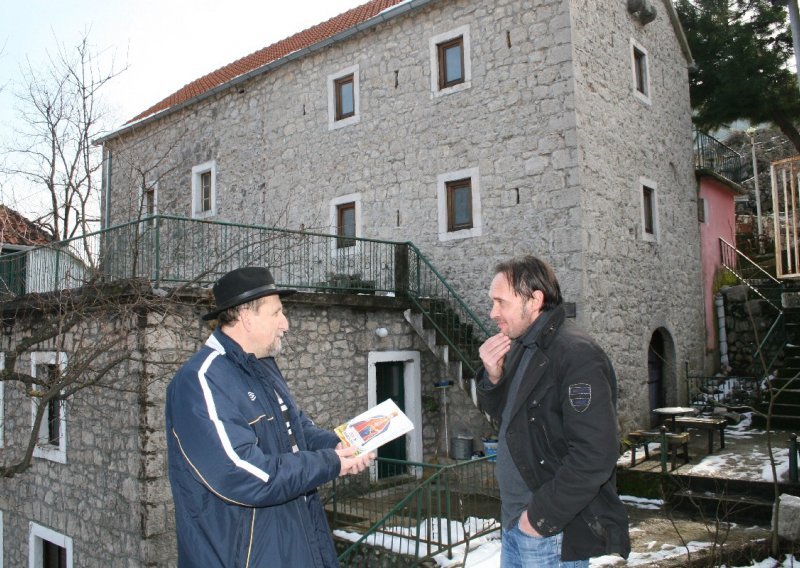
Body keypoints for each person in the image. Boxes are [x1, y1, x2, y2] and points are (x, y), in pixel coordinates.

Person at [165, 266, 374, 567]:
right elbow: (244, 474)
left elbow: (297, 429)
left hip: (296, 547)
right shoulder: (200, 381)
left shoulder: (263, 366)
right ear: (247, 317)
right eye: (277, 313)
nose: (285, 324)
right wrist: (331, 462)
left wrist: (341, 445)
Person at [476, 256, 630, 566]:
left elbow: (596, 454)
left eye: (500, 302)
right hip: (515, 523)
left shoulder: (576, 355)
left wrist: (539, 518)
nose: (493, 313)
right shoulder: (522, 345)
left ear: (534, 300)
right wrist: (493, 377)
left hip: (549, 534)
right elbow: (502, 415)